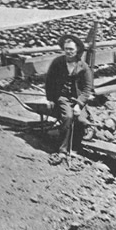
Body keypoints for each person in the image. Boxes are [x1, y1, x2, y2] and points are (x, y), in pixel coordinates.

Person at [44, 34, 94, 162]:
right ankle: (63, 150)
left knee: (81, 119)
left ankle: (75, 148)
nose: (69, 52)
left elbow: (87, 88)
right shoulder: (57, 62)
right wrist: (50, 98)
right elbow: (49, 81)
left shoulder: (83, 66)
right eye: (66, 49)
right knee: (68, 117)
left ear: (77, 50)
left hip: (77, 97)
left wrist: (79, 104)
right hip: (62, 97)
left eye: (71, 49)